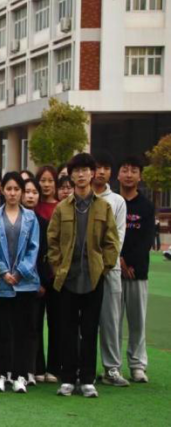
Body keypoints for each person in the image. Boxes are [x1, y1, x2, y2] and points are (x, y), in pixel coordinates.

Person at [47, 152, 119, 399]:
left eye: (85, 170)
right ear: (71, 175)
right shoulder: (61, 208)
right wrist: (57, 267)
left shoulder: (103, 207)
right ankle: (68, 378)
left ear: (92, 174)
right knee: (67, 330)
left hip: (94, 277)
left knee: (89, 330)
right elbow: (52, 240)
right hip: (68, 277)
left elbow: (111, 242)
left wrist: (104, 267)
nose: (81, 175)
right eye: (76, 171)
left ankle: (87, 379)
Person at [0, 172, 40, 393]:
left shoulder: (31, 218)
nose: (12, 193)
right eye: (9, 189)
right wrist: (3, 272)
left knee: (22, 332)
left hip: (25, 283)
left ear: (22, 192)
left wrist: (19, 272)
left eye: (17, 189)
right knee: (1, 332)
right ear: (2, 190)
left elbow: (34, 248)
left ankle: (19, 376)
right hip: (0, 284)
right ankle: (0, 375)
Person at [92, 151, 130, 388]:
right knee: (82, 322)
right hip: (84, 269)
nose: (101, 172)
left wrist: (105, 263)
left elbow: (118, 237)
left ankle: (112, 368)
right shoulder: (80, 197)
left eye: (106, 168)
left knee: (110, 320)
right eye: (98, 167)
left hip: (110, 269)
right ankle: (80, 367)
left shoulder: (117, 201)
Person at [116, 155, 155, 384]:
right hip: (113, 270)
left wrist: (130, 263)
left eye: (133, 170)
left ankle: (138, 365)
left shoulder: (146, 206)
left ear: (140, 176)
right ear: (118, 174)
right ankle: (114, 366)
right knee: (113, 322)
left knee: (137, 322)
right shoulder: (111, 202)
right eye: (125, 169)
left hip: (137, 273)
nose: (129, 174)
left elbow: (146, 240)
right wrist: (118, 261)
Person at [26, 177, 60, 383]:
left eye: (34, 192)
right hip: (21, 282)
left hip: (43, 282)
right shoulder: (12, 219)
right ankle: (35, 366)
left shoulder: (44, 223)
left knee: (52, 324)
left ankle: (53, 367)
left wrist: (42, 281)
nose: (30, 196)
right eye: (27, 192)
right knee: (33, 326)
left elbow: (46, 254)